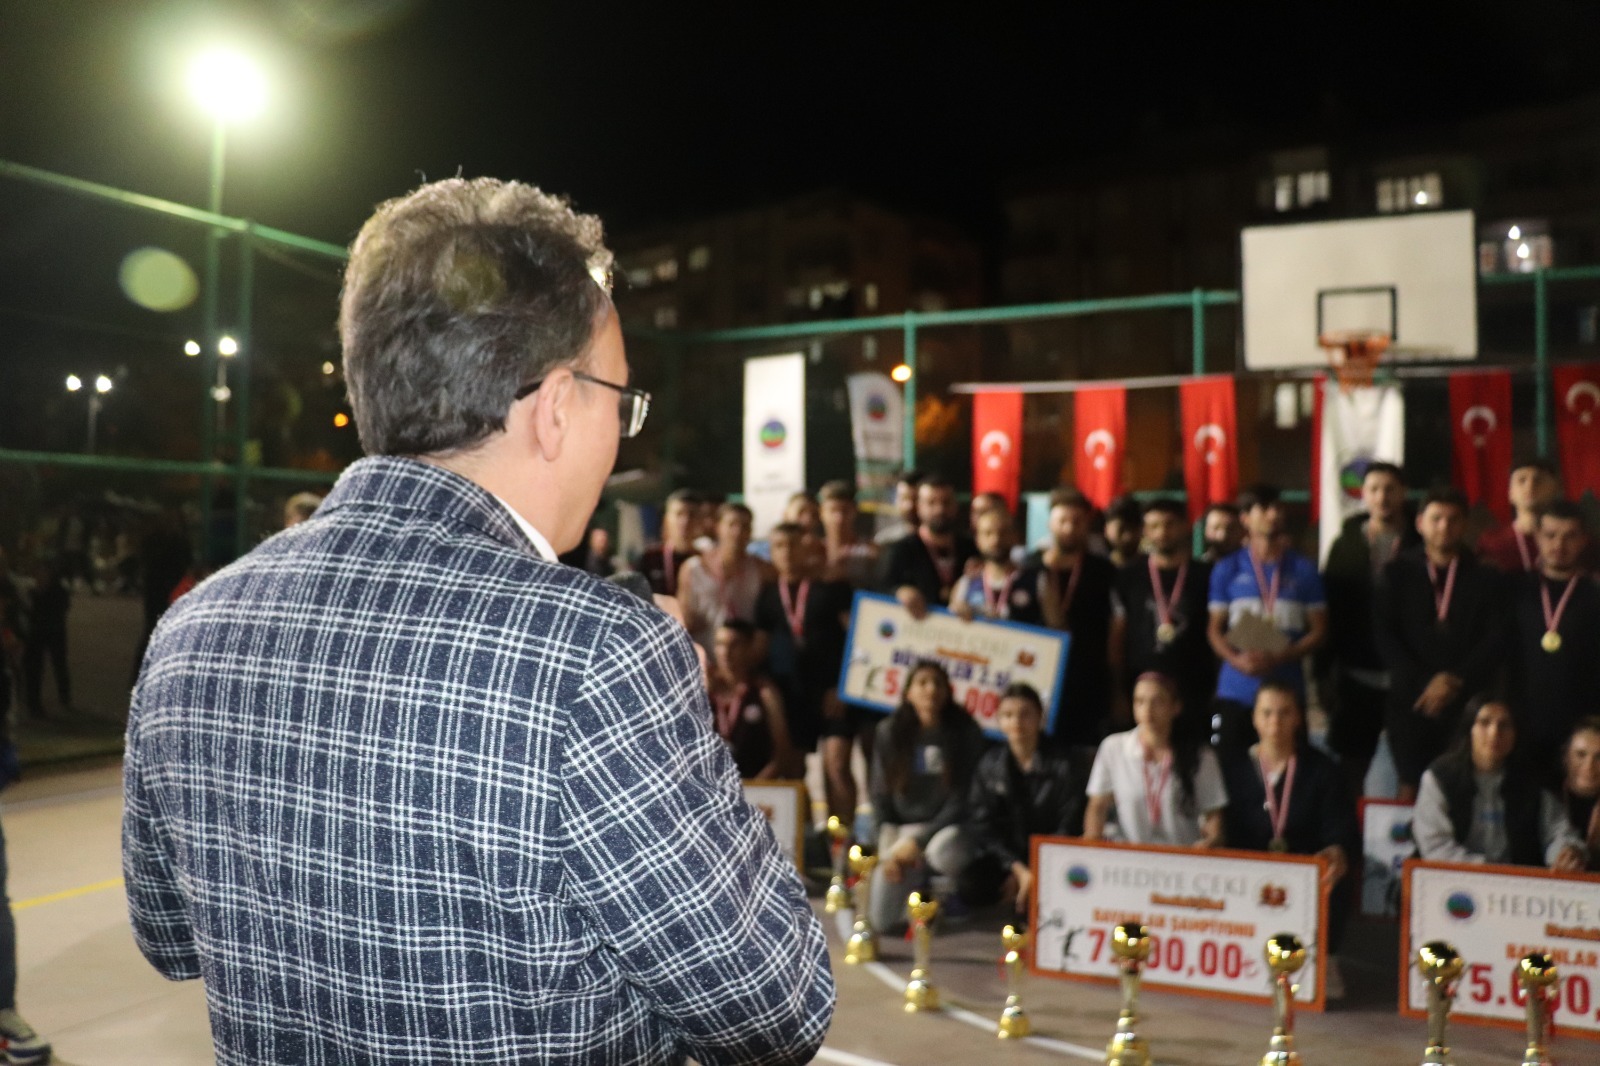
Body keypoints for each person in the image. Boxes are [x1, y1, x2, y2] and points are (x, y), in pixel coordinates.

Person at [123, 177, 833, 1064]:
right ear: (557, 406)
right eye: (623, 400)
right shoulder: (598, 654)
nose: (624, 431)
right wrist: (678, 710)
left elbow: (170, 939)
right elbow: (775, 1005)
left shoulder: (195, 627)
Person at [1219, 682, 1358, 998]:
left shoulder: (1323, 770)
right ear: (1254, 718)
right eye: (1267, 713)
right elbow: (1219, 824)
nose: (1275, 723)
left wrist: (1336, 850)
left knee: (1336, 873)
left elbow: (1341, 830)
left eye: (1284, 713)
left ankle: (1324, 958)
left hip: (1303, 872)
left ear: (1298, 718)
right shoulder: (1232, 768)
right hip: (1245, 873)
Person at [1374, 488, 1505, 800]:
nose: (1444, 527)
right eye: (1436, 519)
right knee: (1409, 788)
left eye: (1453, 520)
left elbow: (1495, 639)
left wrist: (1453, 681)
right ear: (1420, 523)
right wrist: (1424, 682)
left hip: (1466, 702)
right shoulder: (1397, 573)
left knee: (1463, 789)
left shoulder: (1486, 577)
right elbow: (1384, 635)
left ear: (1465, 525)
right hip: (1411, 700)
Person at [1207, 485, 1327, 760]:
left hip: (1286, 690)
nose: (1273, 514)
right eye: (1264, 508)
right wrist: (1236, 661)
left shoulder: (1304, 569)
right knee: (1230, 773)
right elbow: (1214, 630)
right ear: (1246, 518)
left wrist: (1284, 654)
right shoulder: (1228, 568)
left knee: (1291, 770)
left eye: (1277, 508)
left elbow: (1319, 630)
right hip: (1237, 690)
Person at [1321, 462, 1419, 796]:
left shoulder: (1420, 544)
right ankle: (1350, 840)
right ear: (1363, 495)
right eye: (1374, 489)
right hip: (1356, 673)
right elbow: (1330, 609)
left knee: (1412, 770)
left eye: (1390, 489)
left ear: (1403, 493)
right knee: (1350, 768)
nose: (1382, 497)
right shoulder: (1346, 543)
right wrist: (1324, 673)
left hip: (1407, 675)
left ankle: (1409, 845)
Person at [868, 661, 983, 932]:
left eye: (938, 683)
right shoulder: (889, 731)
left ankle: (943, 892)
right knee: (881, 922)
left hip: (948, 829)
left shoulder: (965, 732)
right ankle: (914, 886)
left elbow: (962, 801)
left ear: (948, 691)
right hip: (902, 830)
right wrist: (888, 849)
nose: (931, 689)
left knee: (942, 851)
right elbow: (879, 795)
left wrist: (917, 841)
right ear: (908, 692)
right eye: (922, 683)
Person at [1413, 698, 1586, 871]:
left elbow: (1559, 831)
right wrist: (1492, 872)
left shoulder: (1532, 780)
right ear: (1469, 730)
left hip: (1518, 886)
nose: (1494, 732)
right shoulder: (1440, 778)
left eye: (1504, 725)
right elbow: (1436, 847)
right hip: (1455, 881)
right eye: (1484, 723)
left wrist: (1567, 852)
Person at [961, 683, 1081, 915]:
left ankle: (1030, 897)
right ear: (999, 720)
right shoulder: (989, 765)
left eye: (1025, 714)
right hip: (1009, 857)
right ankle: (1014, 894)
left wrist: (1037, 867)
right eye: (1008, 715)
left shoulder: (1064, 764)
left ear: (1040, 717)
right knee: (971, 884)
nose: (1016, 722)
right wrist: (1015, 867)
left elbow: (1070, 824)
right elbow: (982, 825)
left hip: (1052, 856)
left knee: (1040, 906)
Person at [752, 523, 853, 793]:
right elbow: (760, 647)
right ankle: (805, 833)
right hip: (792, 694)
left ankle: (842, 834)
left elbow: (856, 638)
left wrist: (843, 687)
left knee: (837, 765)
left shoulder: (832, 587)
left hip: (832, 690)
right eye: (779, 546)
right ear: (771, 552)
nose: (787, 552)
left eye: (793, 545)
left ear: (806, 548)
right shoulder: (767, 594)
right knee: (794, 770)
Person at [1012, 488, 1117, 745]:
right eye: (1063, 521)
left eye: (1077, 521)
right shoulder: (1028, 567)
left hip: (1087, 680)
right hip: (1036, 678)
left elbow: (1116, 629)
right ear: (1049, 523)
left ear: (1087, 525)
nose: (1069, 528)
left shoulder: (1104, 571)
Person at [1110, 498, 1215, 747]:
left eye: (1170, 524)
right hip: (1139, 686)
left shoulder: (1205, 575)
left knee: (1191, 757)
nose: (1162, 532)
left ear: (1185, 527)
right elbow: (1116, 636)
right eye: (1154, 526)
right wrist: (1117, 691)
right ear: (1145, 531)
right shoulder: (1128, 576)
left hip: (1193, 686)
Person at [1508, 500, 1600, 771]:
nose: (1559, 545)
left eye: (1570, 536)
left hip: (1582, 727)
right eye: (1550, 535)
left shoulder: (1594, 596)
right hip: (1521, 722)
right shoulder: (1515, 589)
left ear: (1583, 540)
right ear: (1537, 537)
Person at [1083, 672, 1226, 847]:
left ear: (1176, 707)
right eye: (1140, 701)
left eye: (1157, 702)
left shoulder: (1201, 756)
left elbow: (1213, 816)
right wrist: (1091, 842)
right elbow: (1097, 805)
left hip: (1182, 858)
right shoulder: (1114, 748)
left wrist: (1210, 842)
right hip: (1127, 859)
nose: (1147, 710)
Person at [709, 620, 796, 780]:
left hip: (755, 788)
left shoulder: (765, 692)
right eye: (720, 644)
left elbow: (782, 752)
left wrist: (755, 787)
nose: (726, 652)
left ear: (750, 648)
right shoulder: (703, 691)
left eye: (734, 645)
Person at [881, 475, 977, 617]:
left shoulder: (972, 549)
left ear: (955, 506)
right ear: (919, 507)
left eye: (946, 502)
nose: (940, 510)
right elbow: (880, 589)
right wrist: (899, 592)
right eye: (931, 503)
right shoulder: (900, 550)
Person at [680, 502, 766, 652]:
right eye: (732, 524)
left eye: (745, 526)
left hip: (744, 662)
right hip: (706, 658)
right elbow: (683, 619)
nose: (738, 531)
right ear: (718, 527)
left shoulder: (762, 569)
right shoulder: (693, 568)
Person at [949, 507, 1028, 621]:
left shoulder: (1037, 582)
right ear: (977, 540)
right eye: (988, 533)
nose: (995, 540)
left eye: (1003, 532)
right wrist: (957, 612)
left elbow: (1055, 629)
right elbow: (950, 625)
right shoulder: (966, 583)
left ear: (1015, 536)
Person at [22, 558, 70, 718]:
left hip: (53, 632)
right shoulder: (34, 592)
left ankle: (65, 697)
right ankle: (33, 702)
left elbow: (61, 610)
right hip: (37, 633)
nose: (39, 576)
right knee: (34, 667)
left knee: (59, 664)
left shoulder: (58, 591)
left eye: (42, 572)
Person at [637, 488, 699, 597]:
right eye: (679, 514)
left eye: (692, 515)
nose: (685, 521)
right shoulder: (650, 559)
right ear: (666, 520)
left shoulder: (704, 562)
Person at [1557, 717, 1600, 870]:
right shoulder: (1544, 800)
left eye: (1599, 757)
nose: (1589, 766)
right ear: (1566, 758)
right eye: (1581, 755)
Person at [818, 479, 878, 588]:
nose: (839, 518)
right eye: (833, 511)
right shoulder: (813, 551)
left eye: (845, 511)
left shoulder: (870, 550)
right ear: (821, 513)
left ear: (854, 512)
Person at [874, 468, 923, 546]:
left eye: (915, 499)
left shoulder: (942, 541)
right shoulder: (886, 541)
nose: (909, 506)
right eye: (904, 498)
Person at [1102, 495, 1144, 570]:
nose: (1128, 536)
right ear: (1106, 530)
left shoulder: (1153, 569)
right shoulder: (1096, 570)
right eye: (1121, 529)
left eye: (1134, 529)